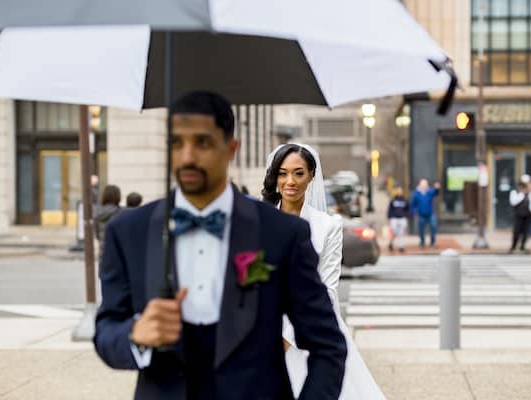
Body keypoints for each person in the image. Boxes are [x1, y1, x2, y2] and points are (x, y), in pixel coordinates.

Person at [94, 92, 346, 400]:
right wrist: (135, 335)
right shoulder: (129, 231)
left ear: (231, 149)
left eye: (202, 142)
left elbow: (328, 345)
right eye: (177, 143)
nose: (187, 156)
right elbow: (106, 332)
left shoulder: (283, 233)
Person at [263, 143, 386, 400]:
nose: (290, 181)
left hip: (311, 330)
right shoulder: (259, 222)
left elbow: (328, 290)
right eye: (283, 173)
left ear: (311, 175)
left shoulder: (328, 226)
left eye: (298, 173)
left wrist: (286, 339)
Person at [93, 184, 123, 264]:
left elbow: (97, 235)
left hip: (103, 253)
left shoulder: (98, 213)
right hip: (118, 254)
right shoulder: (121, 213)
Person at [509, 180, 531, 253]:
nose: (523, 188)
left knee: (526, 232)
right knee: (516, 232)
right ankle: (513, 246)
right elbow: (513, 202)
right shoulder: (515, 193)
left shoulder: (530, 194)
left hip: (527, 215)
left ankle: (522, 246)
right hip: (518, 215)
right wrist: (522, 194)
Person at [411, 179, 440, 248]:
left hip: (430, 214)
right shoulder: (416, 194)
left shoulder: (429, 192)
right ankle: (422, 242)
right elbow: (413, 204)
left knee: (433, 226)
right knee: (421, 230)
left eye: (426, 184)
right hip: (421, 215)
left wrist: (437, 188)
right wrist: (414, 212)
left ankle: (433, 242)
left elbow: (435, 192)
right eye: (423, 184)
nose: (424, 186)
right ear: (420, 185)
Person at [387, 186, 409, 253]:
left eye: (400, 190)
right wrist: (389, 217)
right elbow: (390, 209)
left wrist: (406, 216)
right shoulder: (393, 200)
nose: (399, 192)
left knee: (401, 233)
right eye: (398, 190)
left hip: (402, 218)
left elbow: (407, 209)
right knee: (394, 231)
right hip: (394, 218)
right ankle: (391, 243)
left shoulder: (405, 200)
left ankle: (401, 246)